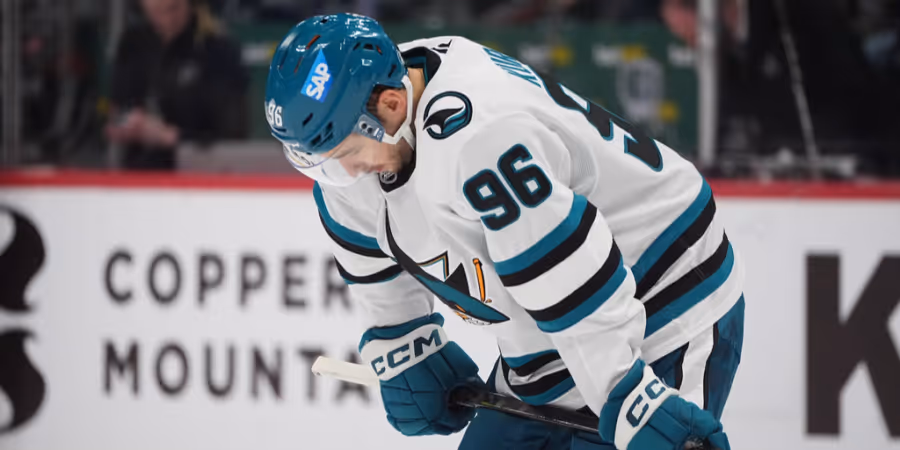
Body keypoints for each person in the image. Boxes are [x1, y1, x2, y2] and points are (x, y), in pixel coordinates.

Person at [265, 14, 743, 449]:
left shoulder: (480, 139)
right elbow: (358, 223)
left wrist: (626, 391)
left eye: (345, 157)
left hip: (663, 293)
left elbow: (565, 271)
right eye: (323, 166)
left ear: (391, 105)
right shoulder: (368, 109)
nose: (344, 176)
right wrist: (403, 341)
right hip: (553, 334)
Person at [106, 0, 249, 170]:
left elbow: (233, 132)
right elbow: (116, 110)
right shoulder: (134, 41)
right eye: (156, 11)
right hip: (139, 170)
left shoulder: (217, 48)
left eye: (173, 9)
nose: (166, 20)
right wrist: (127, 123)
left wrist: (170, 136)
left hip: (199, 171)